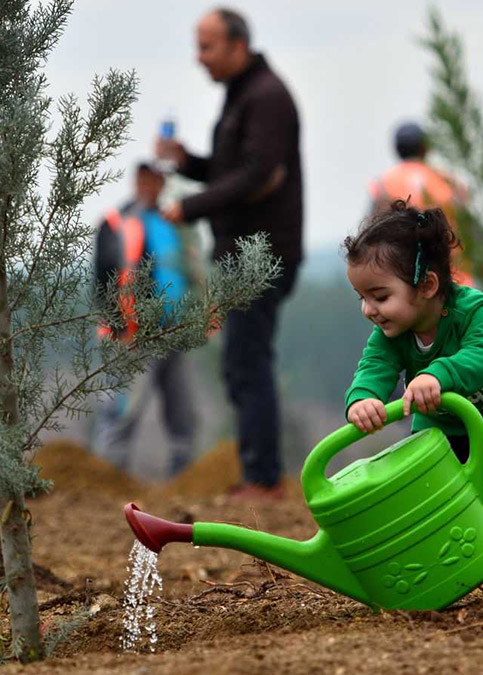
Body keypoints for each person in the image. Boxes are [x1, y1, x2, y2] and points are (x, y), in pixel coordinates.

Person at [342, 200, 483, 595]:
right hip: (446, 415)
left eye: (379, 296)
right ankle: (439, 563)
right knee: (427, 481)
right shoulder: (392, 332)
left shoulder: (475, 311)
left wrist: (437, 374)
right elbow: (374, 367)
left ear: (427, 286)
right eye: (362, 297)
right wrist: (363, 399)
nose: (368, 310)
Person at [155, 7, 303, 500]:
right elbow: (232, 172)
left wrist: (190, 205)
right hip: (242, 253)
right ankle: (258, 472)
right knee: (240, 362)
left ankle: (264, 479)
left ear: (238, 46)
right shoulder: (245, 96)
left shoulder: (267, 97)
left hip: (263, 256)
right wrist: (189, 163)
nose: (199, 58)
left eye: (207, 46)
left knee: (248, 361)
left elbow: (259, 174)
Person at [93, 162, 199, 476]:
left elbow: (190, 273)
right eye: (144, 179)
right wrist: (118, 326)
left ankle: (183, 477)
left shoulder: (174, 224)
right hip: (133, 336)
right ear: (136, 180)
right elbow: (103, 279)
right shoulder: (116, 222)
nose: (150, 186)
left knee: (184, 413)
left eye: (156, 180)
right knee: (122, 412)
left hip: (175, 331)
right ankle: (108, 478)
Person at [368, 122, 473, 286]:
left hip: (406, 275)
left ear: (396, 148)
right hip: (451, 272)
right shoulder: (447, 180)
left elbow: (373, 229)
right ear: (425, 147)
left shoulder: (383, 183)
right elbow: (467, 221)